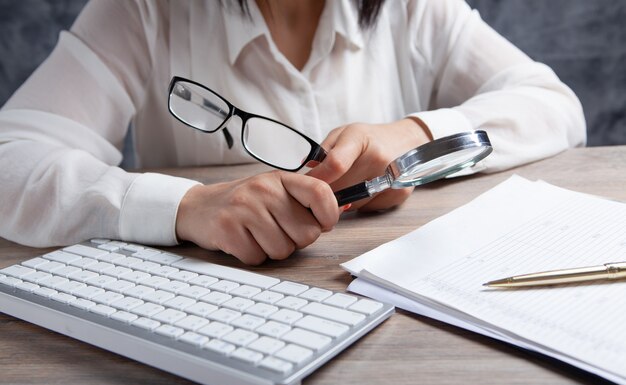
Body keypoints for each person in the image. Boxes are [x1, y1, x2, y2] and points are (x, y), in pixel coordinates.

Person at [0, 0, 585, 265]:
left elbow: (554, 107)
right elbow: (11, 156)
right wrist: (187, 206)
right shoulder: (144, 11)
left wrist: (413, 134)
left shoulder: (414, 9)